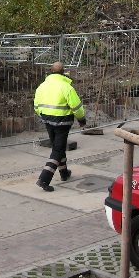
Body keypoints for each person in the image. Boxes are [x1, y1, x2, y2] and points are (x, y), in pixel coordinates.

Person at [34, 61, 87, 192]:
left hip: (47, 120)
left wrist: (44, 115)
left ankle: (64, 173)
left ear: (50, 72)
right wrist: (81, 119)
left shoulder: (42, 86)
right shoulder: (66, 87)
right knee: (57, 150)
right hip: (63, 122)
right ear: (63, 72)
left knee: (58, 147)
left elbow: (36, 105)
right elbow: (76, 107)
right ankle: (44, 179)